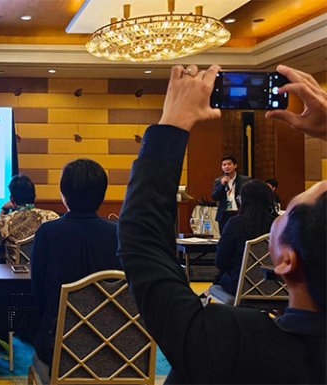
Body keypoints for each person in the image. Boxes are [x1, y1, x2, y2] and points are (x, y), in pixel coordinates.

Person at [117, 63, 326, 384]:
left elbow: (143, 246)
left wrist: (172, 123)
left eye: (287, 211)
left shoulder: (228, 342)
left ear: (286, 260)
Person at [31, 158, 122, 381]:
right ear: (103, 194)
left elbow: (39, 293)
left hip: (61, 347)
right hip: (118, 346)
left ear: (64, 193)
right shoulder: (120, 233)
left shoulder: (48, 233)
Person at [212, 179, 278, 296]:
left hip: (240, 286)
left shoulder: (235, 223)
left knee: (221, 277)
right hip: (276, 286)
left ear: (243, 200)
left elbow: (220, 261)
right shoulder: (280, 224)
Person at [0, 174, 58, 261]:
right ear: (35, 197)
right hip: (45, 272)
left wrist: (3, 210)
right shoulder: (52, 217)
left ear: (11, 199)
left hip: (15, 273)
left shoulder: (4, 221)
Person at [211, 155, 249, 232]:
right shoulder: (219, 180)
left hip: (239, 212)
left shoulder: (244, 180)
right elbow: (214, 197)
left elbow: (249, 196)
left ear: (235, 165)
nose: (226, 167)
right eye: (224, 165)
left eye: (229, 164)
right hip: (224, 214)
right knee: (225, 238)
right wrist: (222, 185)